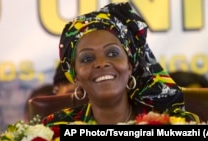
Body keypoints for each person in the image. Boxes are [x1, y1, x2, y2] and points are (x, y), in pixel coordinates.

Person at [41, 2, 199, 125]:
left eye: (112, 53)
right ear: (75, 76)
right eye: (87, 58)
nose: (101, 63)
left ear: (130, 65)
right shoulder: (54, 128)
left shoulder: (172, 122)